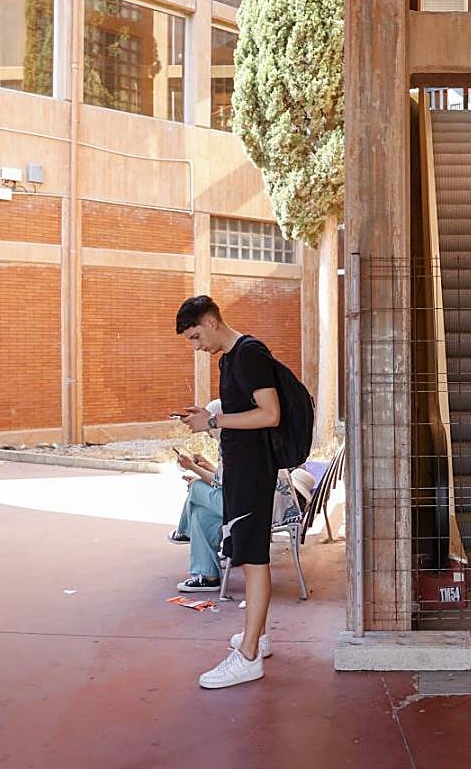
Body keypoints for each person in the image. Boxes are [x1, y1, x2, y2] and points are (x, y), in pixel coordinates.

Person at [175, 295, 280, 689]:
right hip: (239, 470)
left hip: (253, 472)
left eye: (196, 336)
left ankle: (249, 656)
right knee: (247, 554)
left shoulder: (249, 353)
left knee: (252, 558)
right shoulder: (230, 359)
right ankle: (260, 636)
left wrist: (213, 420)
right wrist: (208, 421)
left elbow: (270, 414)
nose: (196, 346)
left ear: (212, 322)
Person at [170, 400, 225, 593]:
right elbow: (226, 478)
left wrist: (192, 467)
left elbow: (221, 482)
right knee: (201, 516)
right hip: (246, 500)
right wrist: (208, 466)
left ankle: (184, 532)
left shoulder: (232, 443)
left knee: (196, 488)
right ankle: (209, 577)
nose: (208, 434)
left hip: (242, 505)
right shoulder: (236, 440)